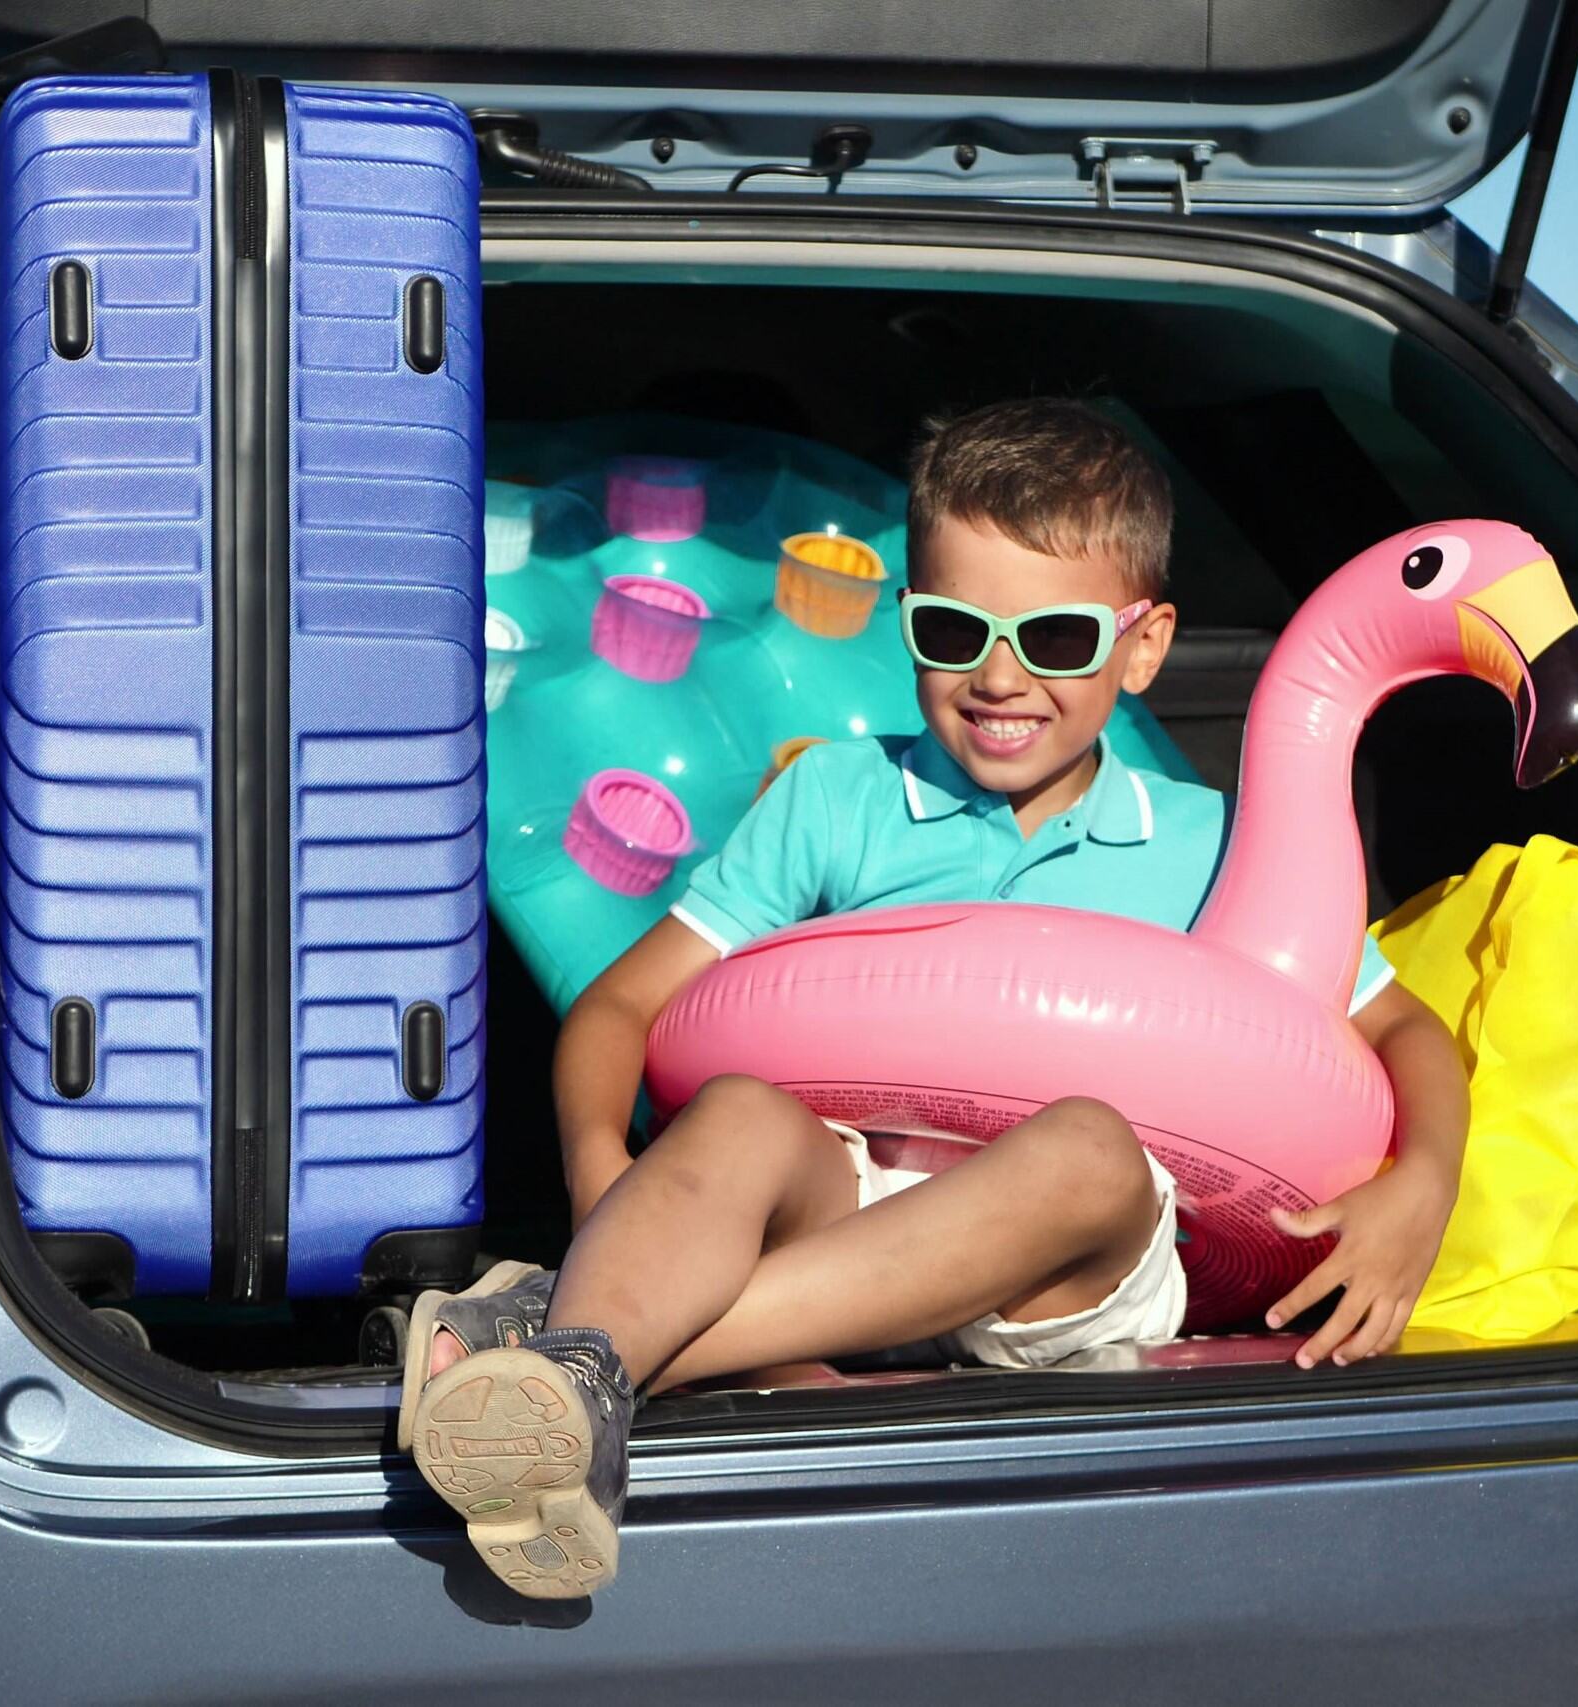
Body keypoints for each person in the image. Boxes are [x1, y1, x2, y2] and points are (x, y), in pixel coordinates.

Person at [407, 398, 1471, 1599]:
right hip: (849, 1210)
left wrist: (1422, 1187)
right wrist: (607, 1184)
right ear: (906, 626)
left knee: (1084, 1144)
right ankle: (585, 1385)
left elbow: (1400, 1029)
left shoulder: (1214, 841)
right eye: (953, 631)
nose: (999, 678)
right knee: (742, 1109)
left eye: (1058, 640)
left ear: (1143, 646)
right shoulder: (837, 798)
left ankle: (575, 1348)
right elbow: (616, 1011)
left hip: (1067, 1271)